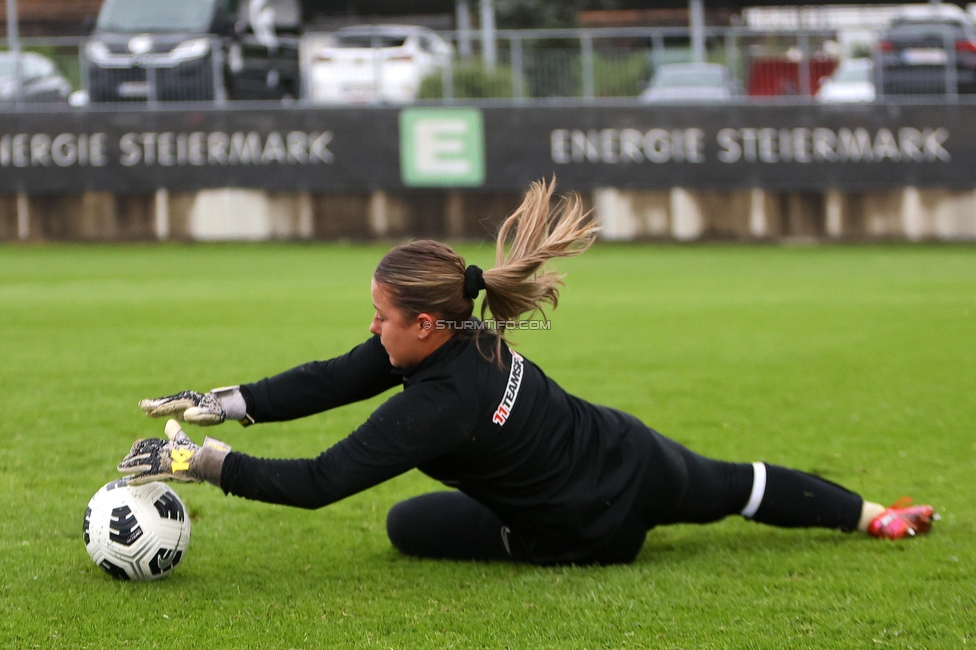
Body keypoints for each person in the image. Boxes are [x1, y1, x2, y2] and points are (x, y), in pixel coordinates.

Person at [119, 179, 937, 566]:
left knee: (409, 526)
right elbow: (334, 377)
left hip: (585, 535)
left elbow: (322, 481)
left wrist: (202, 461)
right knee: (741, 484)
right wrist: (221, 403)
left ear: (426, 324)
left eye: (382, 316)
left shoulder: (437, 406)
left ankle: (527, 535)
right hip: (639, 456)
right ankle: (875, 517)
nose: (372, 328)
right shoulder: (465, 336)